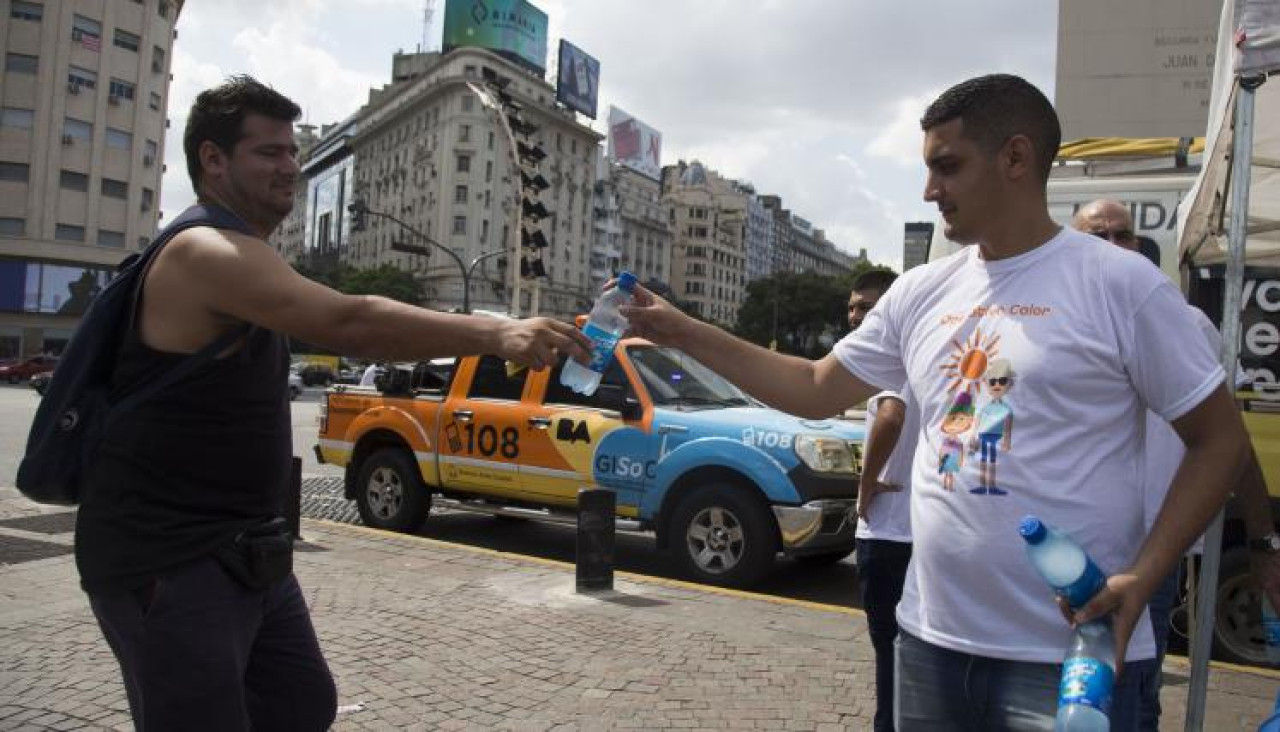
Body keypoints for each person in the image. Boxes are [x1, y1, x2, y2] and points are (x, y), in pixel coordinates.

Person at [619, 74, 1253, 729]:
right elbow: (813, 388)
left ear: (1014, 158)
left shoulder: (1120, 285)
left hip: (1073, 655)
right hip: (929, 644)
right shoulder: (921, 291)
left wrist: (1144, 578)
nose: (929, 190)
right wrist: (683, 330)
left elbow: (1220, 441)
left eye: (946, 166)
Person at [74, 76, 591, 731]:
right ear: (213, 159)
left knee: (298, 704)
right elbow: (349, 321)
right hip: (170, 561)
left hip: (247, 553)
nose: (290, 167)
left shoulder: (249, 254)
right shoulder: (204, 251)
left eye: (292, 151)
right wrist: (496, 331)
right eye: (269, 153)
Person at [1074, 197, 1280, 730]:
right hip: (1063, 548)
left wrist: (1262, 540)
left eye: (1126, 237)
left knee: (1132, 695)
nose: (1117, 249)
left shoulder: (1185, 323)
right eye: (1100, 237)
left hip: (1149, 552)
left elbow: (1230, 443)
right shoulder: (1057, 322)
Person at [848, 269, 918, 732]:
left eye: (868, 307)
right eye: (852, 307)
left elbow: (891, 416)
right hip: (918, 529)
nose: (857, 317)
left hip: (890, 529)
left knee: (889, 656)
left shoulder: (894, 362)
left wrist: (865, 482)